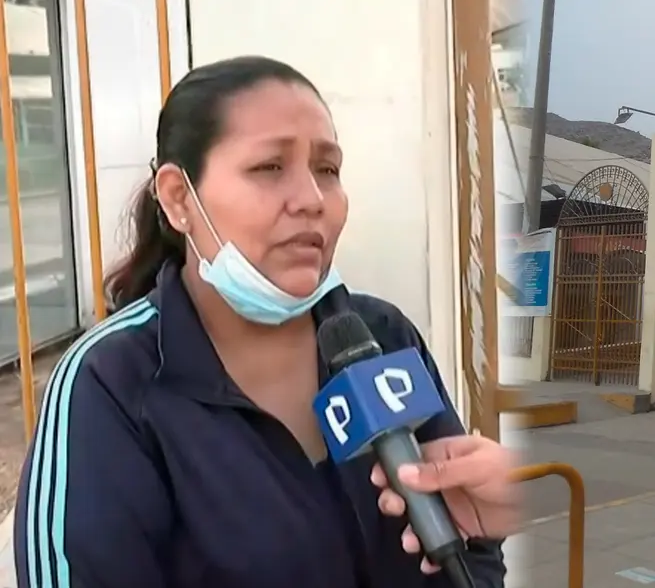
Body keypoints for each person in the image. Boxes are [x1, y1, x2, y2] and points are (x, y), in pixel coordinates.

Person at [13, 56, 515, 588]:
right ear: (179, 198)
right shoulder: (108, 382)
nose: (312, 200)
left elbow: (471, 554)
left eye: (328, 170)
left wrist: (484, 527)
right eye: (269, 168)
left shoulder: (383, 336)